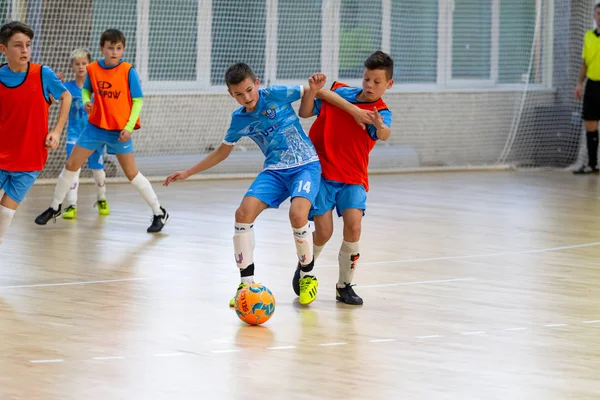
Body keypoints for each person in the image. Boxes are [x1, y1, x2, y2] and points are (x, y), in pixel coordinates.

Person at [164, 63, 367, 306]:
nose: (246, 97)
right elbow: (222, 152)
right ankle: (246, 285)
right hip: (274, 170)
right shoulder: (238, 119)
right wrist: (188, 172)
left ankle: (307, 275)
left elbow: (320, 93)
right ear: (231, 94)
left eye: (249, 90)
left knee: (298, 214)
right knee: (242, 213)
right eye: (239, 94)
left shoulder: (276, 94)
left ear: (257, 83)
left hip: (305, 166)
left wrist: (355, 111)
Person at [34, 29, 168, 232]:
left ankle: (159, 212)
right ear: (102, 48)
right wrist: (87, 101)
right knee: (71, 164)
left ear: (123, 50)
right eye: (110, 48)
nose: (114, 52)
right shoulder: (94, 69)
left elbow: (138, 100)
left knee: (131, 173)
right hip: (94, 128)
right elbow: (86, 89)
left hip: (119, 131)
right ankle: (55, 207)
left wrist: (129, 127)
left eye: (119, 48)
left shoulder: (128, 71)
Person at [294, 51, 394, 305]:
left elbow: (384, 134)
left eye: (377, 82)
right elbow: (305, 113)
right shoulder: (339, 91)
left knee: (354, 227)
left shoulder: (380, 111)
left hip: (354, 177)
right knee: (324, 231)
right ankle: (306, 265)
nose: (370, 85)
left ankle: (344, 285)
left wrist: (380, 126)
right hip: (323, 173)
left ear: (388, 84)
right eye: (367, 79)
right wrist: (314, 91)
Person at [0, 21, 71, 245]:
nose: (24, 50)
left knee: (4, 215)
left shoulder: (43, 74)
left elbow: (66, 96)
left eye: (28, 45)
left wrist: (57, 131)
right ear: (3, 50)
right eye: (18, 45)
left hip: (29, 160)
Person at [61, 48, 110, 219]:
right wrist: (54, 84)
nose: (81, 67)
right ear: (72, 66)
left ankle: (102, 198)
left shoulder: (97, 88)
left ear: (90, 65)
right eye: (77, 64)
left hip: (95, 135)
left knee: (98, 171)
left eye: (84, 63)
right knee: (73, 170)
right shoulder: (67, 87)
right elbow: (51, 99)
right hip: (74, 136)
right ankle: (71, 205)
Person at [574, 4, 600, 174]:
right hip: (592, 84)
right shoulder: (588, 36)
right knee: (590, 124)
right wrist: (579, 83)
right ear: (593, 16)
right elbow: (584, 63)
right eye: (598, 14)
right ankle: (592, 164)